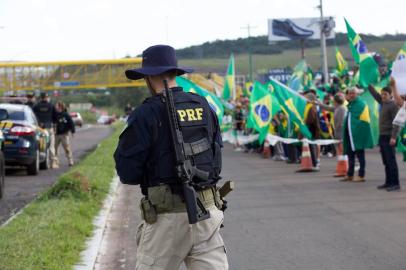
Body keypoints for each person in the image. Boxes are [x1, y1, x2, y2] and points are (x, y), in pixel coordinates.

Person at [114, 45, 228, 270]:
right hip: (208, 213)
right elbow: (216, 160)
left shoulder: (146, 114)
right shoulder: (204, 106)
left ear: (149, 77)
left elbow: (127, 173)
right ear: (175, 73)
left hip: (168, 220)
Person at [368, 83, 400, 191]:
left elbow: (397, 122)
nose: (382, 96)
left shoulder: (393, 105)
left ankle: (395, 184)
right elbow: (374, 94)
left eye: (385, 94)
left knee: (391, 161)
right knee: (385, 161)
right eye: (382, 94)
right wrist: (367, 83)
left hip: (389, 136)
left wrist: (394, 137)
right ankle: (388, 182)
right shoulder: (383, 102)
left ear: (391, 95)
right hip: (382, 136)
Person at [342, 87, 374, 182]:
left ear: (357, 94)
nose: (351, 95)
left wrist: (356, 131)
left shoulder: (361, 104)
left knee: (360, 156)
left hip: (357, 135)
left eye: (353, 93)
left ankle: (361, 175)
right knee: (350, 155)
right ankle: (350, 174)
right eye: (350, 93)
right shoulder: (350, 105)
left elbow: (364, 122)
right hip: (349, 135)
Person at [317, 93, 348, 177]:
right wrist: (319, 104)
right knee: (340, 152)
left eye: (333, 100)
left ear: (336, 101)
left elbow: (341, 123)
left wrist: (337, 130)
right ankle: (341, 168)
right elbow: (328, 108)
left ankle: (344, 169)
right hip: (338, 133)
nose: (332, 102)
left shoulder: (342, 109)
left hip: (341, 134)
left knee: (342, 152)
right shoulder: (337, 108)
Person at [33, 92, 58, 168]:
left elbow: (33, 116)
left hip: (39, 129)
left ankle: (40, 162)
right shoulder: (51, 106)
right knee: (51, 146)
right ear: (47, 97)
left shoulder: (36, 106)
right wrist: (54, 127)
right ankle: (53, 163)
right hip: (49, 128)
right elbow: (55, 118)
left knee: (40, 146)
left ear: (40, 97)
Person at [54, 101, 75, 166]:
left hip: (64, 134)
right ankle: (56, 161)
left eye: (57, 106)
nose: (55, 107)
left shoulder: (66, 115)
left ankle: (70, 160)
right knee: (54, 149)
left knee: (67, 148)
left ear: (60, 107)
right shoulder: (55, 115)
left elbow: (71, 123)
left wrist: (72, 131)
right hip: (56, 134)